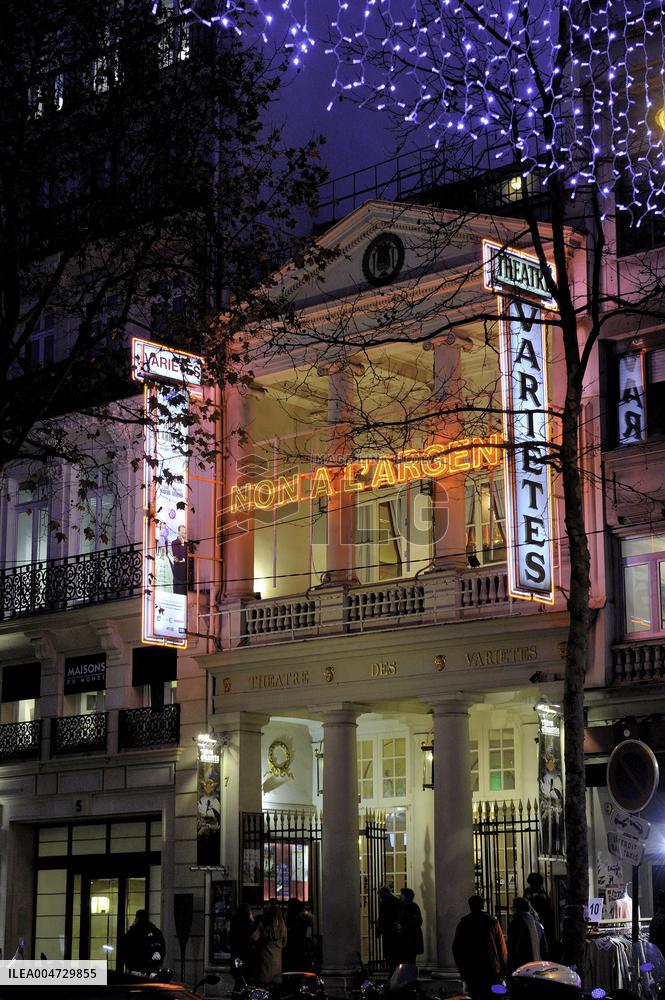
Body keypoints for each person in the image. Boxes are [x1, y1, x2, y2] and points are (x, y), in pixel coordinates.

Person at [453, 896, 507, 1000]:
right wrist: (503, 967)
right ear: (482, 905)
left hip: (471, 967)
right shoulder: (492, 922)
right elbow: (501, 946)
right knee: (492, 995)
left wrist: (461, 968)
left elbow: (457, 948)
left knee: (475, 994)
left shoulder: (464, 922)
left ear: (470, 906)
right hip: (490, 967)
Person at [507, 896, 548, 973]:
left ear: (516, 909)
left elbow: (512, 946)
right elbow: (544, 949)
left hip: (521, 966)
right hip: (537, 965)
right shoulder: (538, 925)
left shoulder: (516, 923)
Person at [251, 901, 288, 983]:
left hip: (265, 964)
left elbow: (254, 938)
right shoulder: (283, 927)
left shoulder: (263, 925)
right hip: (277, 965)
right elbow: (284, 944)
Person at [524, 872, 557, 959]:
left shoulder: (529, 893)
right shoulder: (543, 893)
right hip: (543, 921)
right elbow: (548, 908)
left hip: (533, 921)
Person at [123, 909, 165, 975]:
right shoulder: (155, 931)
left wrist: (129, 964)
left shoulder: (132, 932)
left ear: (137, 918)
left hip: (135, 968)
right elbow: (162, 949)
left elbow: (125, 949)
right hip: (151, 969)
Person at [376, 886, 402, 975]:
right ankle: (392, 970)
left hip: (393, 931)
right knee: (388, 952)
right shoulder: (384, 903)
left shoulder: (396, 902)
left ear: (387, 894)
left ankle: (394, 971)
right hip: (388, 930)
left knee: (394, 952)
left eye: (381, 895)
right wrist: (379, 928)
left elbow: (398, 916)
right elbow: (381, 917)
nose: (381, 897)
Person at [284, 898, 313, 971]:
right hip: (300, 943)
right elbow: (311, 919)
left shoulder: (292, 917)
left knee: (292, 964)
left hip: (292, 943)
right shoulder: (303, 917)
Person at [398, 887, 424, 966]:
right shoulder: (402, 906)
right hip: (406, 937)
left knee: (410, 960)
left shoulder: (413, 906)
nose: (400, 896)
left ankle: (409, 976)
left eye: (402, 894)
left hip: (411, 938)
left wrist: (403, 927)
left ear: (406, 896)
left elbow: (417, 921)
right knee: (407, 960)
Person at [230, 903, 255, 973]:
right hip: (245, 952)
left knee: (238, 972)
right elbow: (252, 935)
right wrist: (252, 919)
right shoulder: (248, 922)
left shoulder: (234, 921)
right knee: (244, 972)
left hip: (236, 951)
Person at [171, 524, 188, 595]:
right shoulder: (174, 542)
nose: (183, 534)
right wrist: (182, 544)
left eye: (184, 533)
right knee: (178, 594)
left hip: (185, 575)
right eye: (182, 533)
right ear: (178, 532)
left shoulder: (186, 544)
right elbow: (178, 557)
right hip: (178, 574)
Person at [650, 890, 665, 956]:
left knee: (646, 966)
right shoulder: (659, 918)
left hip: (655, 955)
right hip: (660, 956)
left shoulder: (656, 918)